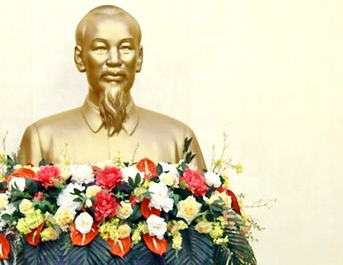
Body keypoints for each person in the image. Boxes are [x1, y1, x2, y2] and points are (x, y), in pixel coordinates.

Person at [19, 5, 205, 168]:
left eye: (125, 48)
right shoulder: (42, 139)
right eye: (100, 48)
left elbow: (210, 206)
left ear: (139, 58)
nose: (115, 60)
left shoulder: (178, 140)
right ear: (79, 58)